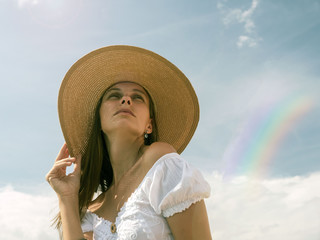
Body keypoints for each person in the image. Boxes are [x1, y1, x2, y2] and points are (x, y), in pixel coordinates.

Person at [46, 45, 212, 240]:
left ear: (149, 125)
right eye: (114, 96)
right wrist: (66, 198)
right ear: (99, 120)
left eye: (137, 97)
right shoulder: (90, 212)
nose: (125, 99)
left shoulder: (160, 162)